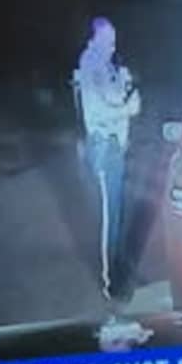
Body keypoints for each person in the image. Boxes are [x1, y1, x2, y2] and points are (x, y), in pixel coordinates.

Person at [69, 18, 140, 302]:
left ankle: (117, 269)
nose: (112, 45)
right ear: (94, 39)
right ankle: (110, 282)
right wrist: (127, 109)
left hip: (115, 146)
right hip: (103, 146)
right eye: (107, 39)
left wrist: (126, 87)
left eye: (114, 39)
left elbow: (124, 98)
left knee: (118, 214)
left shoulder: (110, 66)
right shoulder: (90, 64)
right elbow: (98, 111)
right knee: (109, 218)